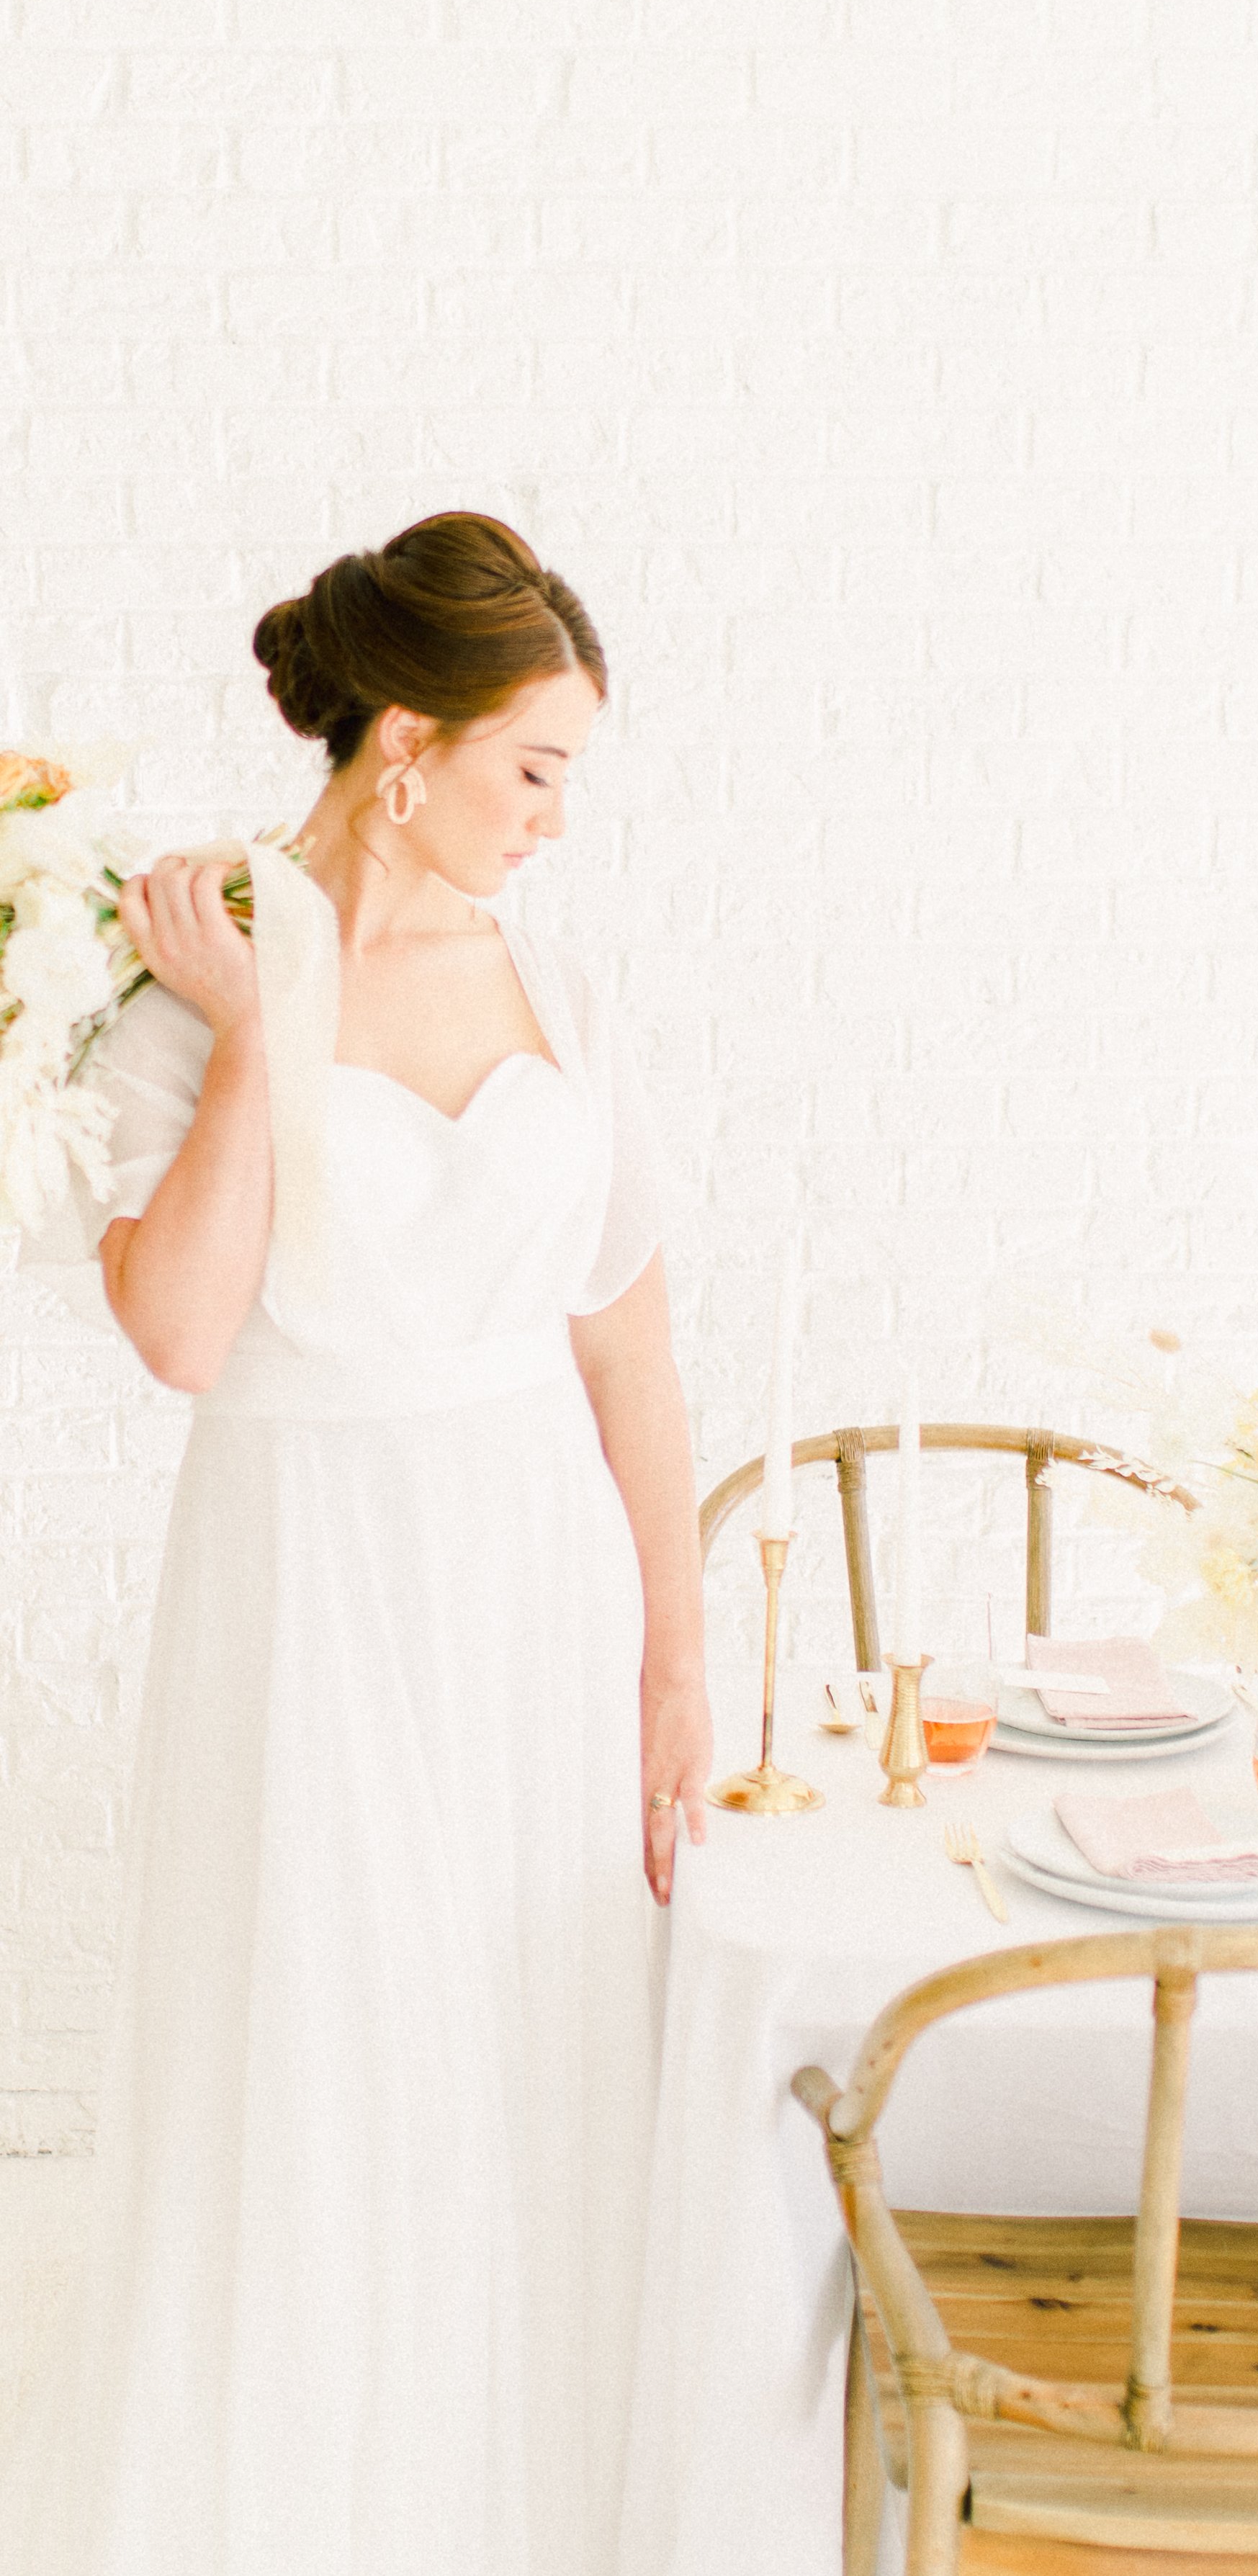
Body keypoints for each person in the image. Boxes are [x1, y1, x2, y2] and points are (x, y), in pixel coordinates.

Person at [0, 511, 710, 2573]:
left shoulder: (555, 982)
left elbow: (632, 1336)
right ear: (403, 739)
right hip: (310, 1569)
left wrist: (673, 1650)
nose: (557, 818)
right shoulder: (192, 961)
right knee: (326, 2024)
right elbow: (181, 1334)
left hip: (528, 1569)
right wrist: (249, 1040)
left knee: (534, 2010)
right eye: (533, 769)